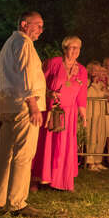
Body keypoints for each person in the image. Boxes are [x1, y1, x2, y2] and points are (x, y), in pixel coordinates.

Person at [0, 11, 46, 217]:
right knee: (23, 155)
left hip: (9, 105)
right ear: (24, 24)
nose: (41, 30)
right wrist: (33, 105)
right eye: (37, 25)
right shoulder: (23, 44)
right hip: (23, 107)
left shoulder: (9, 44)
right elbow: (25, 75)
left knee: (4, 154)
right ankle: (17, 203)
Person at [31, 36, 87, 191]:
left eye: (78, 48)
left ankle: (61, 180)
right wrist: (49, 93)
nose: (75, 51)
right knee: (45, 143)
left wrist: (83, 115)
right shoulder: (53, 63)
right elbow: (39, 83)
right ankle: (37, 178)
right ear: (65, 48)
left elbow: (82, 94)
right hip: (51, 110)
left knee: (64, 146)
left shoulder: (82, 70)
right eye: (72, 47)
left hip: (69, 113)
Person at [85, 61, 108, 171]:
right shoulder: (87, 83)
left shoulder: (101, 84)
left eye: (99, 70)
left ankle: (98, 160)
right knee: (92, 137)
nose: (97, 72)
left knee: (101, 137)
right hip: (91, 114)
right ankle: (90, 162)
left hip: (100, 114)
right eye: (95, 70)